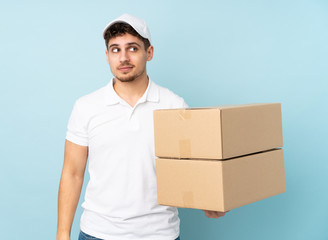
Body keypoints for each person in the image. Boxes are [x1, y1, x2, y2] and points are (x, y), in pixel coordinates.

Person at [57, 13, 227, 240]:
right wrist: (62, 233)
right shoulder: (86, 107)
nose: (123, 58)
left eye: (133, 48)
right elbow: (72, 173)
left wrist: (211, 198)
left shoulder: (174, 105)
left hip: (159, 233)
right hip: (98, 232)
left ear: (149, 53)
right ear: (107, 56)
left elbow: (195, 166)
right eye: (115, 49)